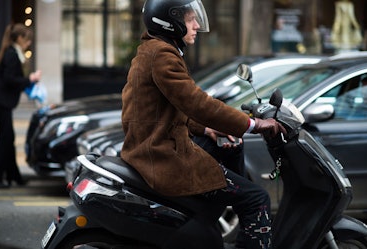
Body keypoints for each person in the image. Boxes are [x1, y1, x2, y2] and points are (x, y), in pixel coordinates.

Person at [121, 0, 286, 248]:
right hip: (161, 157)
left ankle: (204, 229)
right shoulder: (162, 55)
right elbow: (198, 104)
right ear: (171, 22)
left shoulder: (151, 51)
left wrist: (206, 128)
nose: (197, 25)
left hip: (153, 150)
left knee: (230, 146)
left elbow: (167, 112)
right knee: (257, 198)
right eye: (190, 20)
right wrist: (254, 124)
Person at [0, 23, 41, 188]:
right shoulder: (12, 54)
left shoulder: (11, 52)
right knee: (5, 139)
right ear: (20, 38)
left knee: (8, 138)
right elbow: (9, 79)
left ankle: (13, 176)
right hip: (1, 102)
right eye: (27, 40)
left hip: (2, 102)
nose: (28, 44)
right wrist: (30, 79)